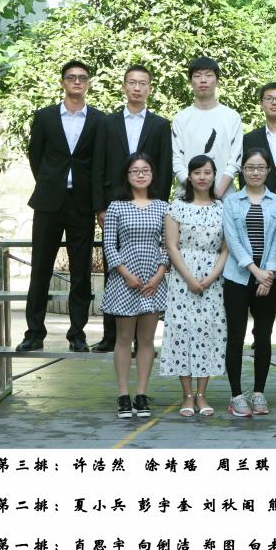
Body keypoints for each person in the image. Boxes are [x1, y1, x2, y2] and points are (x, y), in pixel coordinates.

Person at [16, 60, 103, 353]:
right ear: (63, 82)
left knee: (81, 271)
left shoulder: (98, 119)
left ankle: (77, 333)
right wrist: (51, 182)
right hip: (48, 200)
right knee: (40, 267)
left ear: (88, 83)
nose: (77, 81)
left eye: (82, 77)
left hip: (82, 202)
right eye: (71, 77)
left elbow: (98, 162)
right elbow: (36, 157)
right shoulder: (44, 117)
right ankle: (34, 333)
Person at [91, 64, 172, 353]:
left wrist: (159, 207)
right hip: (114, 205)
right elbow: (97, 165)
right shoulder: (107, 123)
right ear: (124, 86)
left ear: (150, 88)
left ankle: (142, 339)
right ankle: (111, 335)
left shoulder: (160, 125)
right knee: (115, 268)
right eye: (132, 83)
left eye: (143, 83)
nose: (137, 88)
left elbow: (164, 167)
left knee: (147, 266)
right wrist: (99, 207)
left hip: (149, 204)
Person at [100, 152, 169, 418]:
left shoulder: (163, 207)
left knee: (147, 340)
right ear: (127, 176)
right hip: (124, 280)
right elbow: (109, 245)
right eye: (135, 171)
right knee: (124, 339)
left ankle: (141, 394)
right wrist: (126, 274)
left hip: (152, 281)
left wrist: (159, 275)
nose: (140, 175)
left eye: (145, 170)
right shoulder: (116, 207)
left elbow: (168, 244)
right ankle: (123, 395)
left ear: (152, 174)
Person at [160, 155, 229, 417]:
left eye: (207, 172)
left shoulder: (222, 208)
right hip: (182, 277)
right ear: (189, 176)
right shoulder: (176, 207)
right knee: (182, 331)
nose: (202, 177)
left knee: (208, 332)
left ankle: (202, 394)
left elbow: (226, 249)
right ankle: (187, 395)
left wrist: (210, 277)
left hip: (213, 278)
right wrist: (189, 278)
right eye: (197, 172)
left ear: (214, 176)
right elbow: (171, 246)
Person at [221, 149, 276, 417]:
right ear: (242, 171)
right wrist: (254, 270)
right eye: (249, 167)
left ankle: (259, 392)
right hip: (238, 276)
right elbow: (232, 240)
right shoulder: (231, 202)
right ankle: (236, 395)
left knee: (263, 335)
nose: (255, 172)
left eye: (260, 167)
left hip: (268, 278)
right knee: (236, 335)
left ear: (268, 170)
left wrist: (267, 274)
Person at [171, 56, 242, 199]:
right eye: (197, 76)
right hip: (187, 197)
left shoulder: (231, 117)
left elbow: (236, 159)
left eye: (209, 75)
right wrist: (195, 192)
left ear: (218, 81)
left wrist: (218, 192)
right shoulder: (181, 118)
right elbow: (176, 159)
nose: (203, 80)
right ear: (190, 82)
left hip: (224, 197)